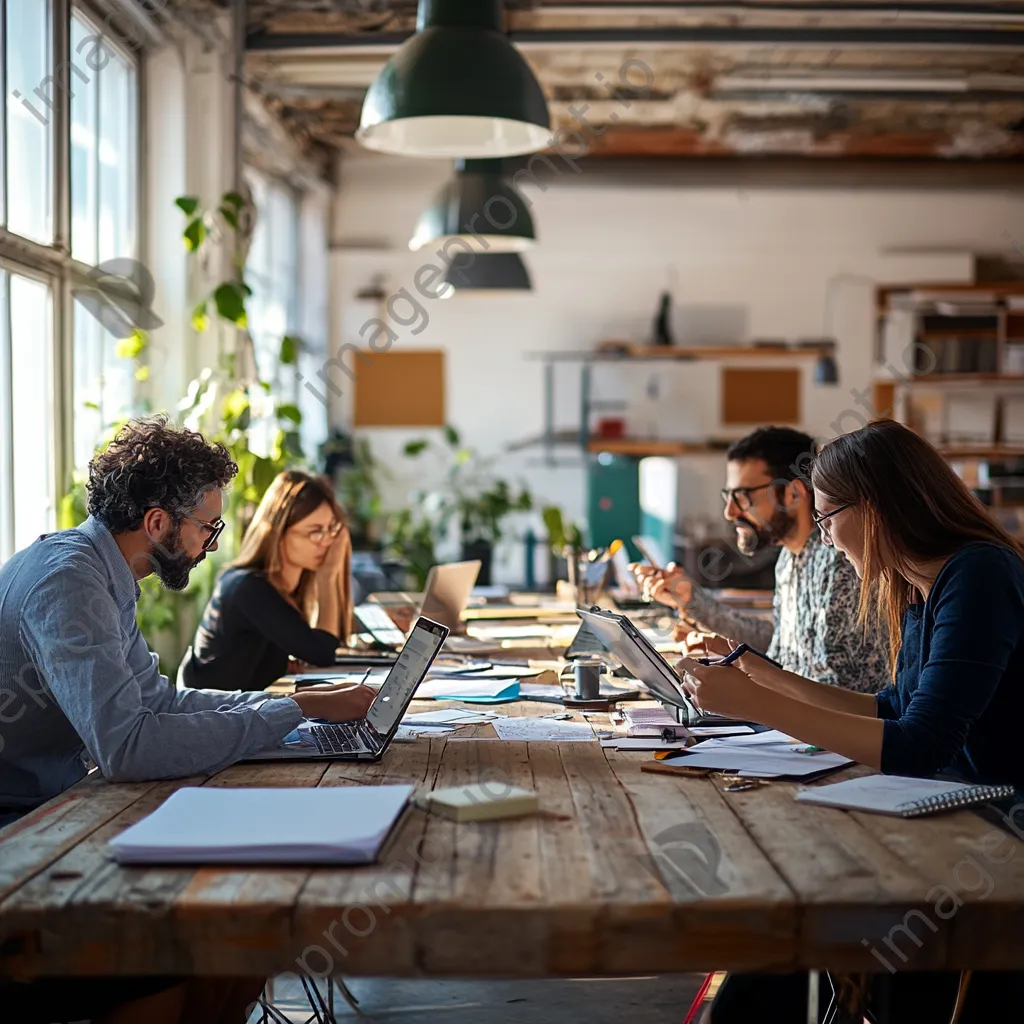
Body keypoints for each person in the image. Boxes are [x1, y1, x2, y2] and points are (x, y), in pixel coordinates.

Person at [0, 417, 374, 1024]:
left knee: (245, 934)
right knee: (190, 942)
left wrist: (294, 707)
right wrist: (292, 709)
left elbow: (162, 702)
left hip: (54, 812)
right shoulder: (69, 581)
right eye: (207, 525)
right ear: (157, 523)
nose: (213, 542)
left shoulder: (102, 574)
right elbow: (129, 745)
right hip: (21, 834)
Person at [680, 420, 1024, 1022]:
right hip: (956, 817)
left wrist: (753, 703)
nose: (826, 536)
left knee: (797, 931)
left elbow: (919, 744)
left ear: (877, 508)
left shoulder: (979, 576)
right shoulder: (926, 584)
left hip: (998, 835)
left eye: (828, 516)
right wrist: (758, 673)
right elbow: (892, 708)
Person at [634, 426, 889, 693]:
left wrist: (741, 679)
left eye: (743, 497)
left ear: (792, 495)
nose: (730, 512)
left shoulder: (840, 561)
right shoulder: (788, 560)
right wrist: (698, 608)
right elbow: (781, 649)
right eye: (728, 496)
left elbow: (836, 687)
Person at [182, 470, 354, 691]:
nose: (327, 542)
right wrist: (328, 575)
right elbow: (322, 653)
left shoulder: (280, 587)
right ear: (278, 533)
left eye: (331, 530)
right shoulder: (248, 587)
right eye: (315, 532)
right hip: (214, 718)